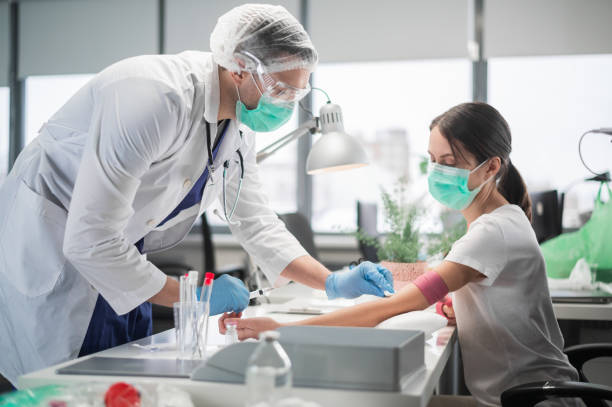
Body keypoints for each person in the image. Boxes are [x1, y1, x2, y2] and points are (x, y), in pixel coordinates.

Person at [0, 4, 393, 386]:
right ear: (239, 67)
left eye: (296, 93)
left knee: (119, 384)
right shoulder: (153, 96)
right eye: (280, 88)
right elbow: (88, 240)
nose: (287, 104)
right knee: (66, 387)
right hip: (53, 249)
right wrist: (195, 298)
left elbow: (254, 221)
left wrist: (329, 282)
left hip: (119, 253)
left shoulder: (238, 125)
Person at [219, 103, 582, 407]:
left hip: (533, 400)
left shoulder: (491, 232)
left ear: (491, 167)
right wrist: (368, 275)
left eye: (450, 161)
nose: (438, 171)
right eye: (433, 159)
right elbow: (437, 274)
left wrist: (280, 331)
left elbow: (390, 308)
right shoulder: (502, 221)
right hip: (527, 394)